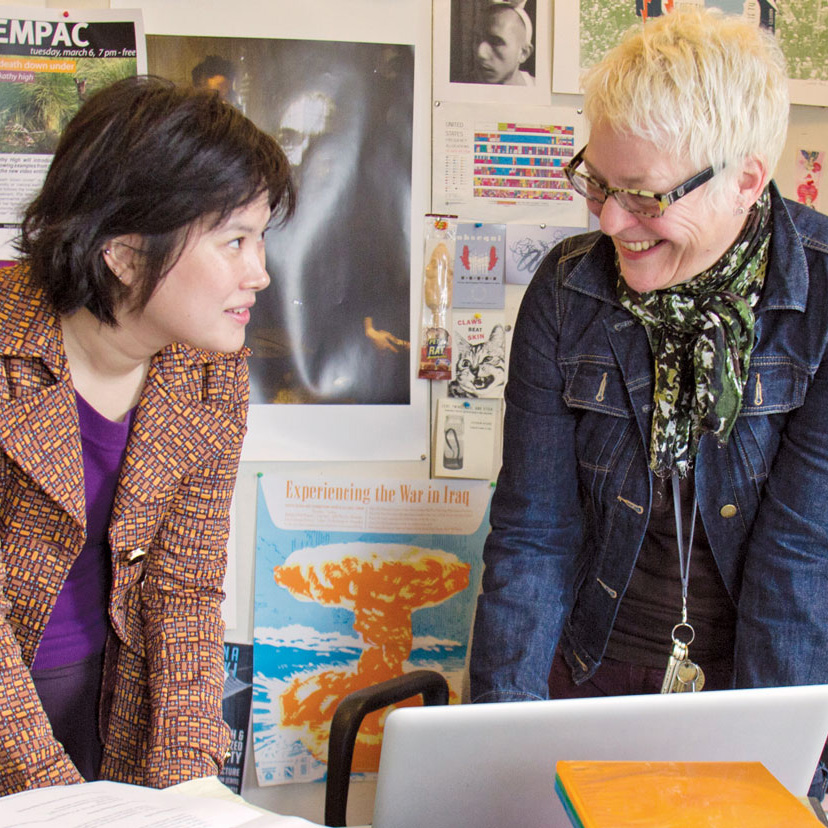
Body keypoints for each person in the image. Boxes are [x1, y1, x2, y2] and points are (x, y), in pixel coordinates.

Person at [469, 8, 828, 798]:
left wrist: (777, 779)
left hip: (756, 685)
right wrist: (501, 755)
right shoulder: (568, 291)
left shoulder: (823, 298)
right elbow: (533, 538)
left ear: (745, 178)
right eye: (598, 183)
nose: (606, 220)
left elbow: (799, 561)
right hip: (590, 670)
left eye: (640, 195)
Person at [0, 75, 294, 795]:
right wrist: (56, 800)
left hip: (108, 696)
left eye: (260, 238)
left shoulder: (210, 375)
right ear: (124, 253)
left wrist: (191, 788)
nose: (258, 272)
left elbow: (184, 591)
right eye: (234, 240)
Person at [475, 0, 535, 86]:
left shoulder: (538, 89)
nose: (480, 53)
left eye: (496, 42)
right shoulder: (461, 87)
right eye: (477, 40)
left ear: (523, 53)